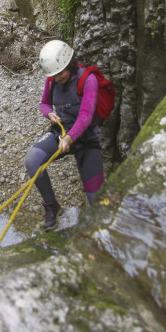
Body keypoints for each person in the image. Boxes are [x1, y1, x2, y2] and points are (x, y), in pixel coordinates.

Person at [24, 40, 104, 231]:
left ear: (69, 64)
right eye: (55, 75)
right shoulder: (52, 79)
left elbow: (86, 116)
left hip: (85, 139)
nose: (58, 78)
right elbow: (44, 103)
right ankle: (52, 206)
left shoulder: (88, 80)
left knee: (98, 201)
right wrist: (49, 113)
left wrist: (70, 137)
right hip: (60, 132)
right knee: (32, 160)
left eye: (61, 73)